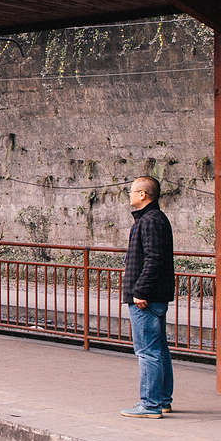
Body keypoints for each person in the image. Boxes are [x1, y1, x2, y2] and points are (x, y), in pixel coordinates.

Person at [120, 175, 174, 419]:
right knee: (159, 349)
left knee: (147, 351)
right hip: (154, 295)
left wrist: (140, 290)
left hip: (146, 297)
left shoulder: (149, 221)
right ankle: (162, 400)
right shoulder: (155, 219)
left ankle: (150, 404)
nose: (129, 195)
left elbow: (153, 259)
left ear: (143, 194)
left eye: (132, 191)